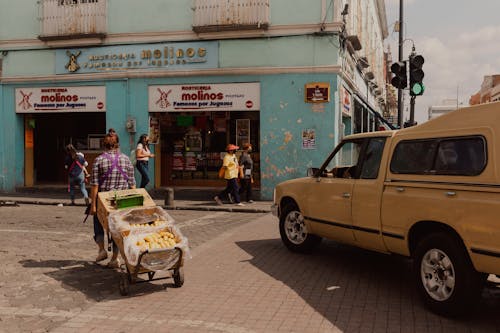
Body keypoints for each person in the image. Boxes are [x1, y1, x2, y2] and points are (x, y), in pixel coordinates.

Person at [89, 133, 136, 268]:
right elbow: (132, 183)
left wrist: (93, 205)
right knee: (117, 229)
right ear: (118, 144)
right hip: (122, 202)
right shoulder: (126, 159)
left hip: (104, 201)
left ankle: (102, 249)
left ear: (104, 145)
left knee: (98, 223)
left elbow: (95, 185)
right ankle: (115, 259)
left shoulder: (99, 160)